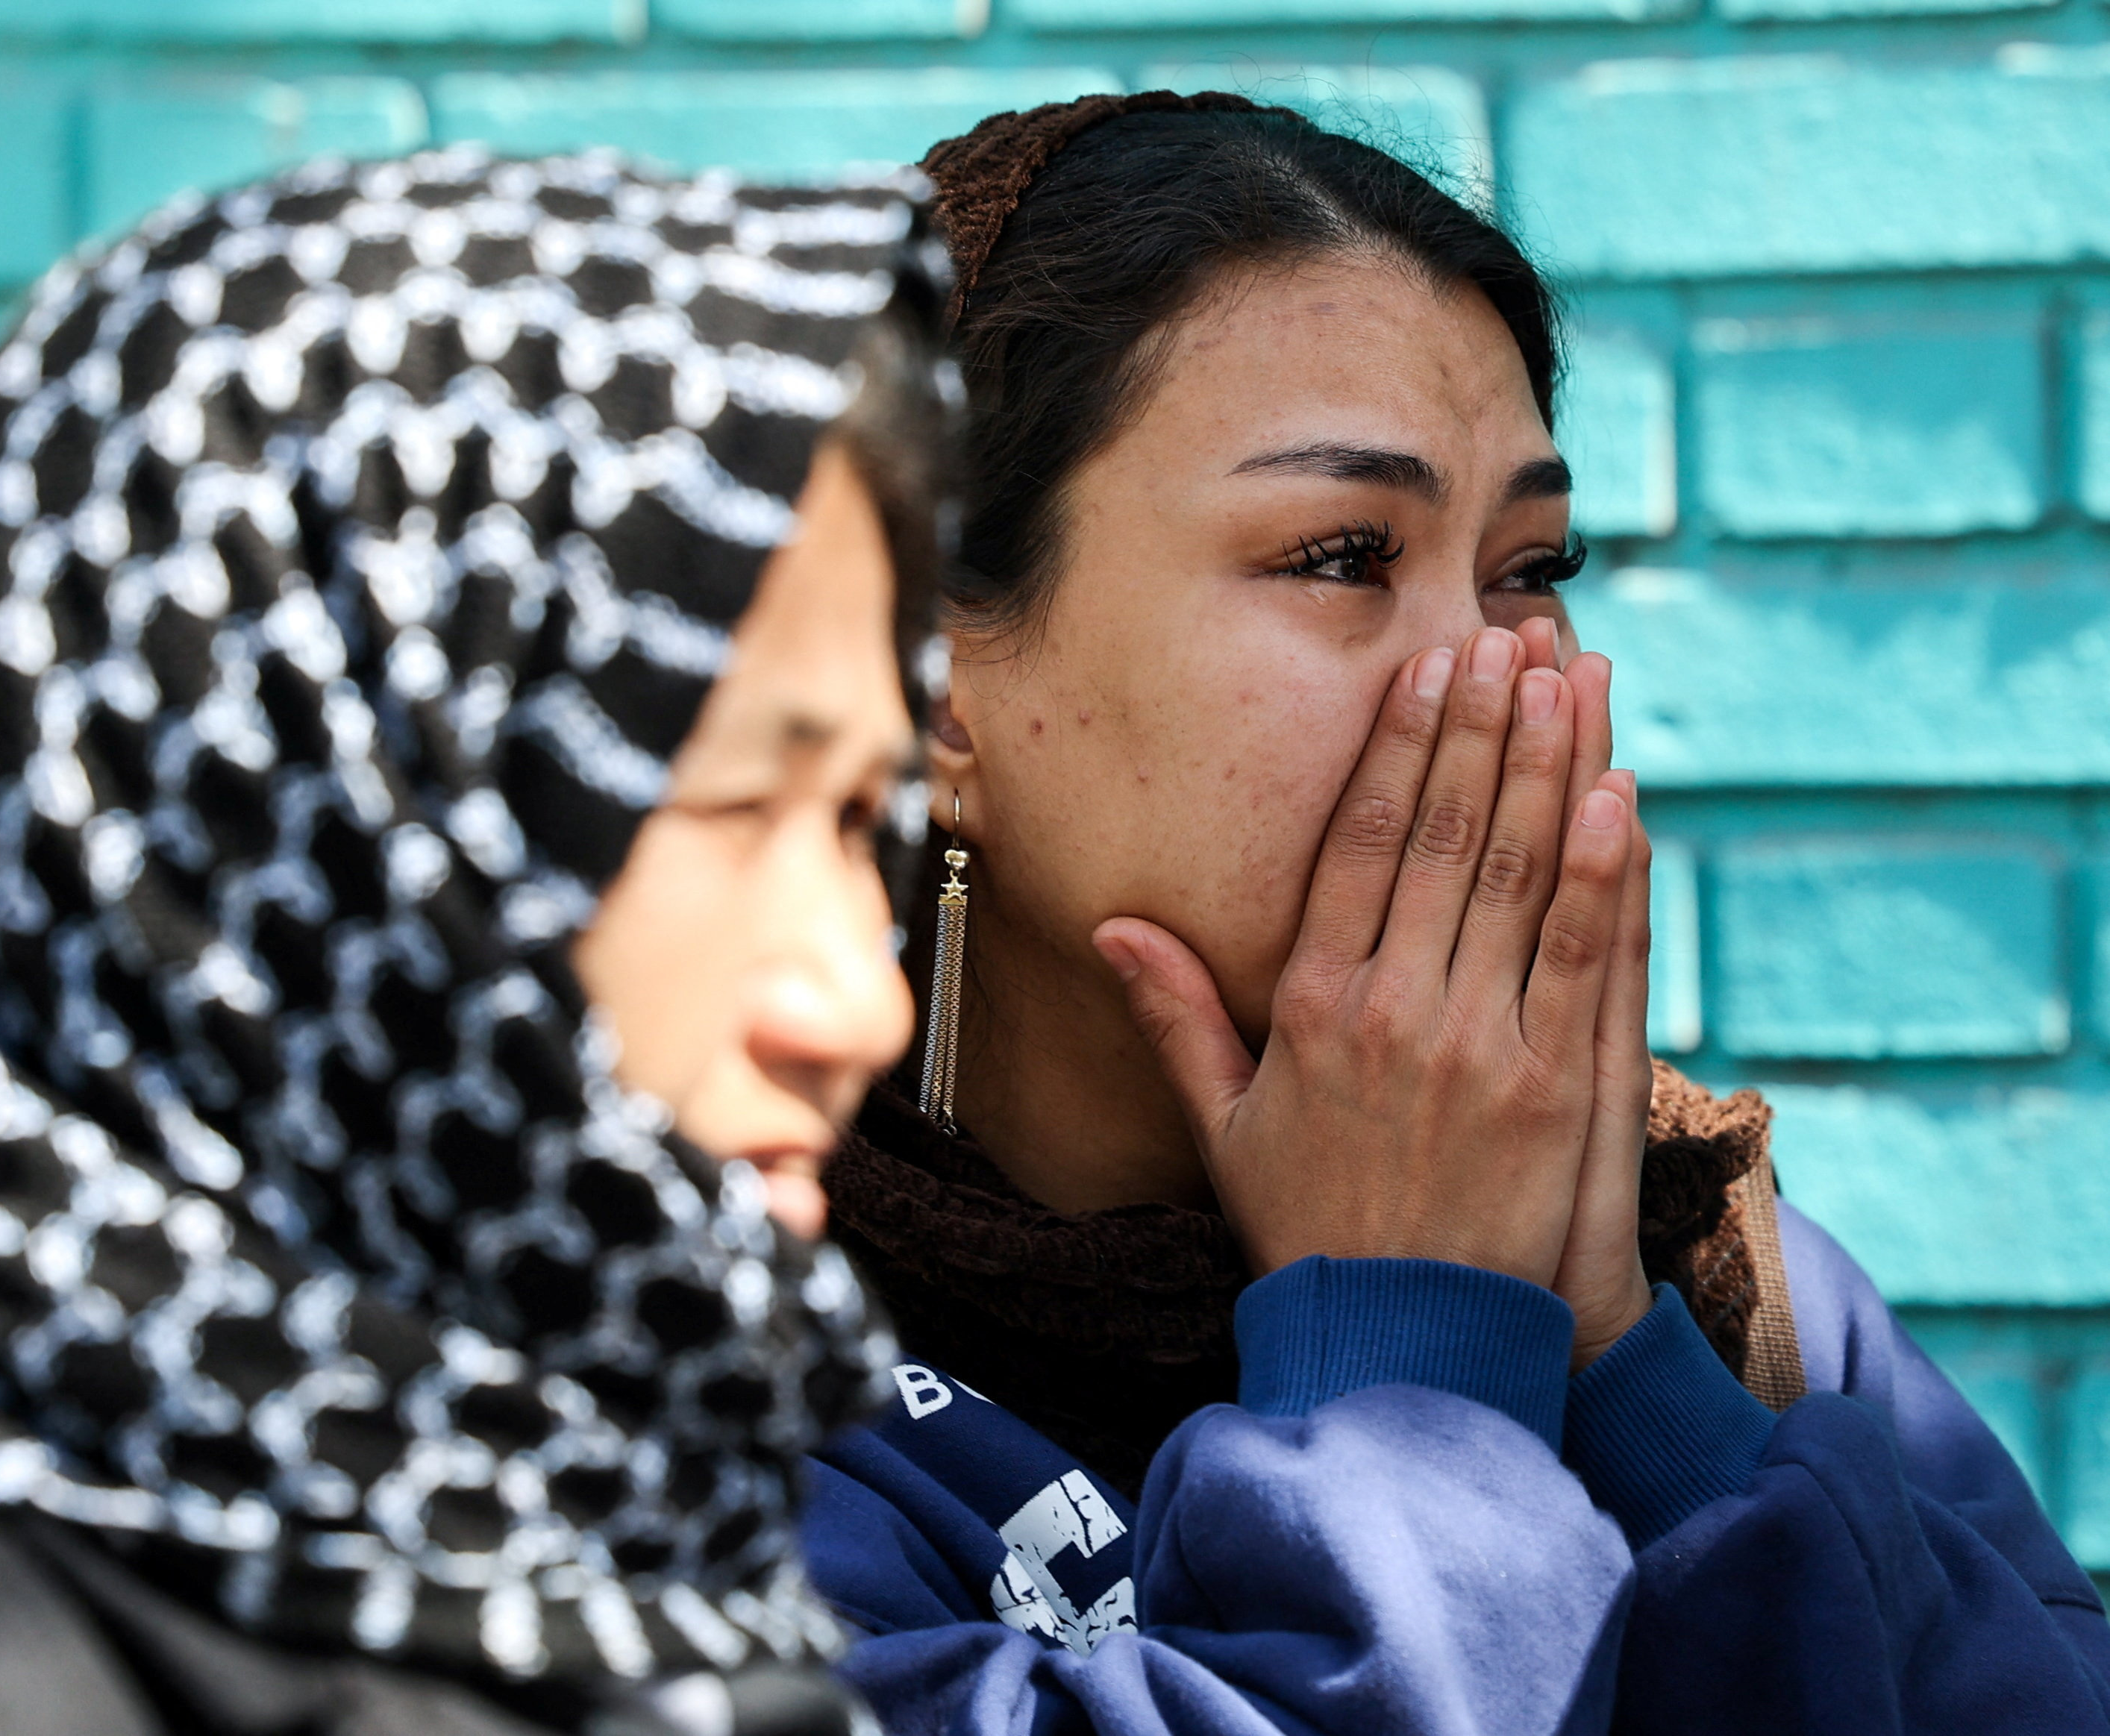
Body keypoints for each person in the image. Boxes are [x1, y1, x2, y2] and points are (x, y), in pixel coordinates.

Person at [0, 147, 951, 1736]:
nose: (857, 1005)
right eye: (732, 808)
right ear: (273, 841)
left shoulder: (625, 1590)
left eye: (859, 825)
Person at [800, 92, 2110, 1735]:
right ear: (927, 680)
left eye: (1531, 570)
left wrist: (1625, 1369)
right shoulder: (662, 1358)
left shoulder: (1725, 1272)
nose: (1489, 674)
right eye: (1345, 554)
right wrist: (1409, 1347)